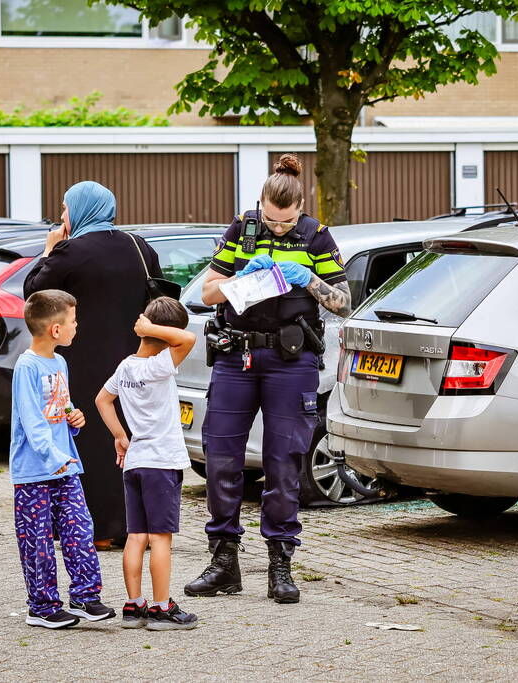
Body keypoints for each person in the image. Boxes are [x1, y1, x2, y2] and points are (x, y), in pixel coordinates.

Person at [184, 154, 352, 604]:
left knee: (283, 463)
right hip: (236, 356)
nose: (279, 228)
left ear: (300, 209)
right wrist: (242, 275)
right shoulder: (242, 228)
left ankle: (281, 563)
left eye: (287, 221)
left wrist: (309, 278)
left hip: (289, 360)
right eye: (272, 220)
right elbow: (205, 292)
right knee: (220, 458)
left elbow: (343, 302)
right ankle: (224, 561)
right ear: (260, 204)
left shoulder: (316, 236)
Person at [22, 181, 163, 548]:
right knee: (130, 436)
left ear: (80, 209)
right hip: (134, 359)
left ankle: (98, 528)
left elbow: (34, 295)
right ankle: (135, 526)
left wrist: (49, 250)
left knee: (93, 442)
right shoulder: (139, 246)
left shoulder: (70, 252)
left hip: (83, 361)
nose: (63, 216)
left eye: (65, 208)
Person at [10, 289, 116, 629]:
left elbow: (60, 405)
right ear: (56, 329)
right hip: (35, 471)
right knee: (37, 541)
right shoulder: (26, 367)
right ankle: (41, 607)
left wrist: (75, 419)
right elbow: (31, 419)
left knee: (79, 530)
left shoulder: (60, 362)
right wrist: (54, 456)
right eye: (73, 321)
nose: (76, 326)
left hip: (65, 465)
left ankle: (85, 597)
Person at [95, 297, 199, 631]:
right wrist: (153, 329)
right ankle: (161, 607)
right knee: (161, 537)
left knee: (136, 535)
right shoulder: (160, 364)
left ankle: (133, 604)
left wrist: (119, 435)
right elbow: (190, 339)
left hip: (135, 461)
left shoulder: (126, 367)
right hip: (161, 463)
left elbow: (102, 399)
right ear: (169, 335)